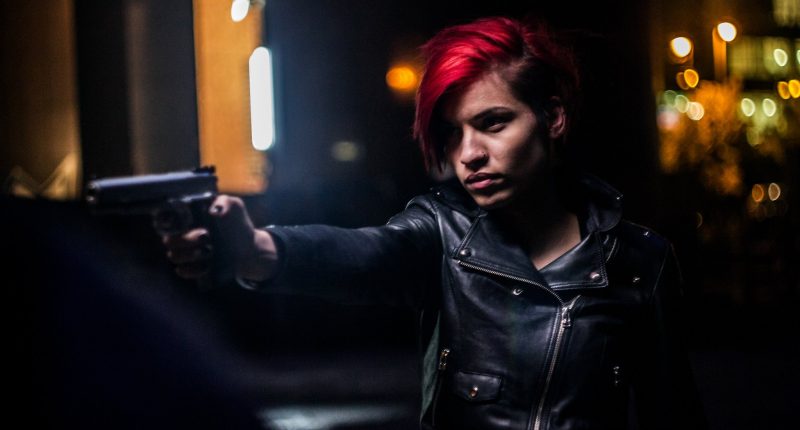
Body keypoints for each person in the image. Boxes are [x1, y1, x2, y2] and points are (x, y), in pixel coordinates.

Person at [163, 16, 706, 430]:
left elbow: (673, 414)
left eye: (493, 123)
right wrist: (256, 249)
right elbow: (364, 255)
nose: (468, 154)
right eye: (452, 134)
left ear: (553, 118)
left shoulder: (640, 262)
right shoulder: (442, 234)